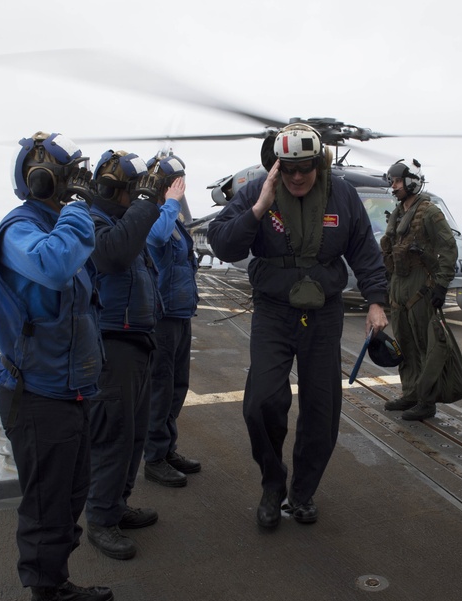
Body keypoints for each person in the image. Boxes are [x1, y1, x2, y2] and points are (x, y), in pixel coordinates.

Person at [207, 123, 388, 529]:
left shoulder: (341, 194)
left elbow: (364, 248)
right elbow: (222, 242)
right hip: (273, 312)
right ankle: (273, 484)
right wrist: (258, 209)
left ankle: (302, 492)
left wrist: (376, 301)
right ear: (277, 166)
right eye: (288, 168)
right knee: (261, 402)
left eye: (305, 167)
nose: (297, 176)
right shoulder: (259, 190)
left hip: (323, 314)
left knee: (322, 411)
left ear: (318, 164)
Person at [0, 131, 110, 601]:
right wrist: (79, 205)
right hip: (35, 393)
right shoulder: (20, 230)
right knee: (46, 503)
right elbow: (57, 266)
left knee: (71, 492)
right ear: (42, 180)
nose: (71, 190)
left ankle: (56, 581)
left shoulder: (59, 224)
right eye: (66, 180)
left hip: (70, 389)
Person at [85, 149, 169, 560]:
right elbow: (114, 256)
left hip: (136, 342)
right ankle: (100, 518)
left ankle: (117, 505)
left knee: (134, 433)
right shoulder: (93, 223)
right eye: (130, 194)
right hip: (111, 347)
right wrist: (144, 204)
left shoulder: (121, 222)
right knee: (114, 436)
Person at [379, 158, 458, 421]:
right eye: (392, 181)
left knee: (425, 345)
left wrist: (441, 285)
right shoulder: (400, 211)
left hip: (420, 283)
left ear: (412, 181)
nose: (394, 185)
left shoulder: (429, 212)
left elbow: (448, 248)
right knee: (404, 342)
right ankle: (410, 392)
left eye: (398, 180)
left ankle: (426, 400)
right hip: (398, 282)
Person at [144, 153, 203, 486]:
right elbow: (156, 239)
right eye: (173, 182)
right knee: (161, 389)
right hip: (163, 317)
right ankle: (153, 457)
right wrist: (170, 202)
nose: (180, 188)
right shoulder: (155, 215)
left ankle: (167, 448)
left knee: (177, 386)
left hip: (181, 314)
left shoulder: (173, 217)